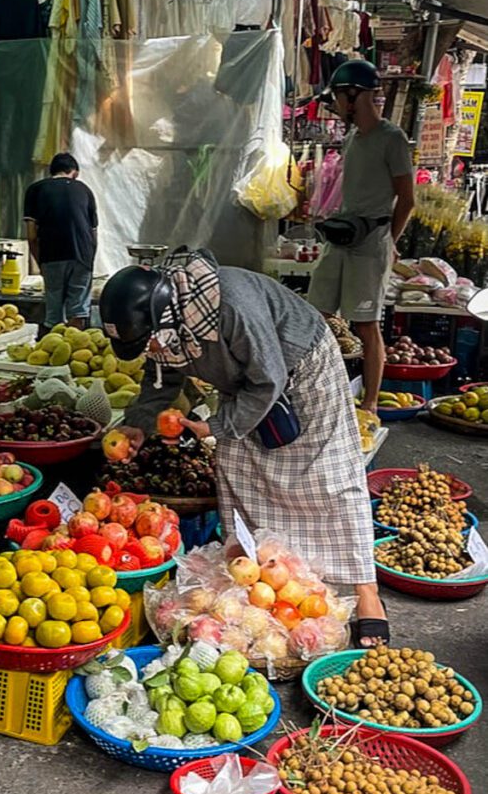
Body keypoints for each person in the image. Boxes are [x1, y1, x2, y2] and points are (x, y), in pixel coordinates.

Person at [99, 247, 389, 647]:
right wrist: (138, 425)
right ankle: (257, 576)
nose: (151, 350)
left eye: (149, 342)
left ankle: (365, 591)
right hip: (246, 383)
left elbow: (268, 380)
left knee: (330, 476)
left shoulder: (230, 305)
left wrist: (216, 424)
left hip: (302, 368)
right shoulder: (166, 327)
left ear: (163, 318)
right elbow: (161, 379)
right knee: (238, 468)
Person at [308, 60, 415, 413]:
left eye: (338, 97)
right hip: (343, 235)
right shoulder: (353, 137)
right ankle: (318, 389)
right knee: (317, 312)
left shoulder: (392, 138)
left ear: (354, 95)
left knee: (366, 324)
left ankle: (368, 404)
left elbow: (408, 199)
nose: (336, 106)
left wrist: (390, 240)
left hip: (372, 241)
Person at [24, 153, 98, 331]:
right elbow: (94, 234)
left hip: (52, 254)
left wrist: (40, 262)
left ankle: (53, 347)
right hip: (83, 256)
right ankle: (76, 350)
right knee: (78, 312)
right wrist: (89, 261)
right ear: (75, 172)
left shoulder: (35, 189)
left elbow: (32, 236)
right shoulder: (85, 190)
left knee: (53, 312)